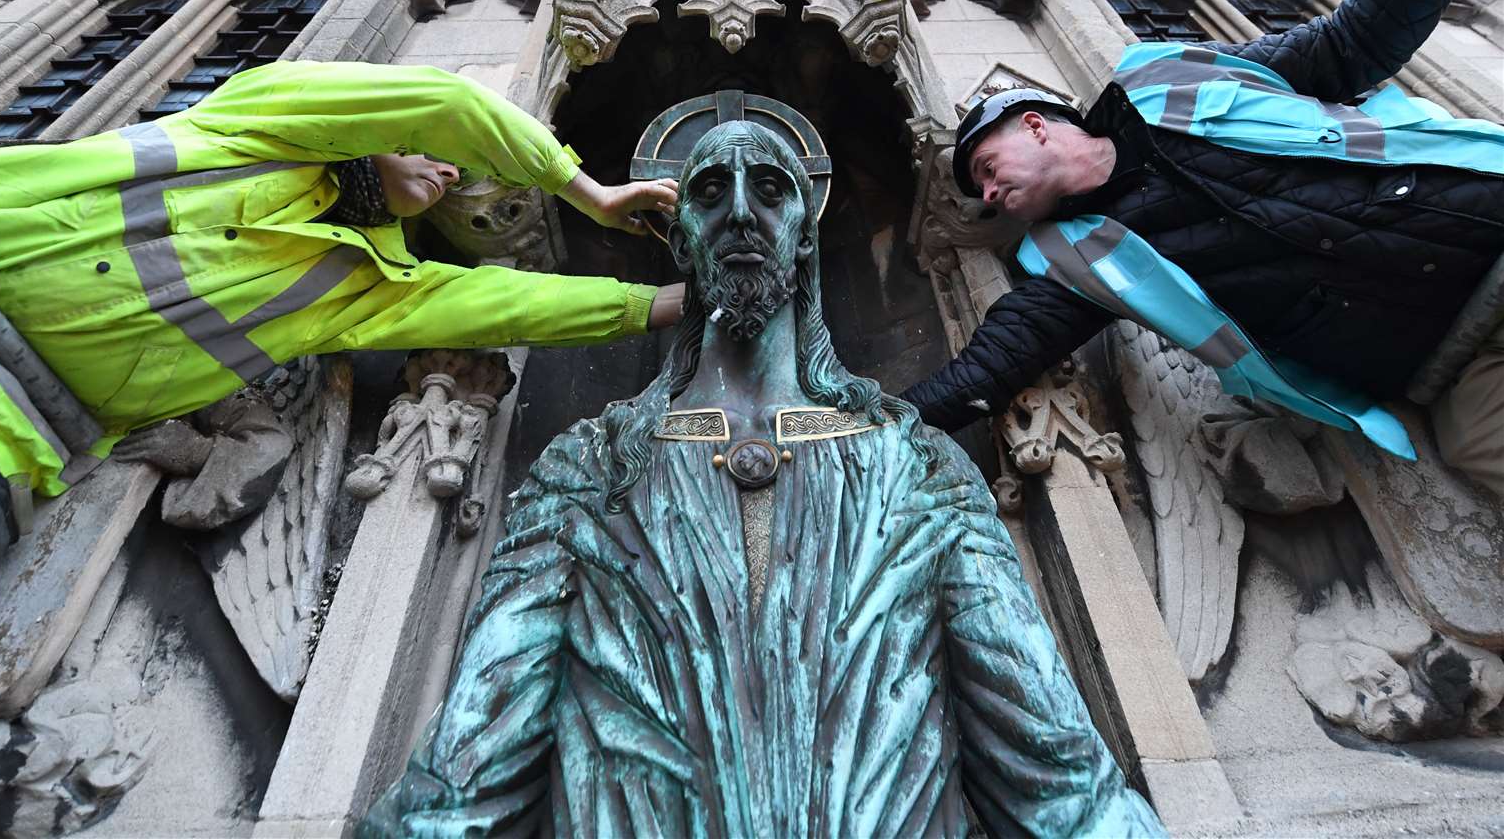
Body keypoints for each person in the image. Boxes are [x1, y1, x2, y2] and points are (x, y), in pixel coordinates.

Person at [361, 120, 1164, 837]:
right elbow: (468, 762)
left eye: (770, 189)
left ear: (804, 237)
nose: (740, 211)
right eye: (709, 192)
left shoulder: (912, 463)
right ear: (681, 241)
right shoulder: (589, 469)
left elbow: (1051, 762)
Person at [901, 0, 1504, 494]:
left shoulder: (1174, 80)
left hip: (1487, 229)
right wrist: (868, 426)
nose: (987, 196)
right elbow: (991, 363)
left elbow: (1353, 42)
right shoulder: (1074, 261)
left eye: (986, 168)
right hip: (1448, 366)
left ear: (1035, 125)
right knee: (1478, 449)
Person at [0, 59, 684, 596]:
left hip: (3, 443)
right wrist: (589, 196)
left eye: (452, 169)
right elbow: (448, 103)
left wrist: (663, 306)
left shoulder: (366, 285)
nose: (441, 166)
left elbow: (510, 306)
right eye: (428, 152)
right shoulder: (258, 123)